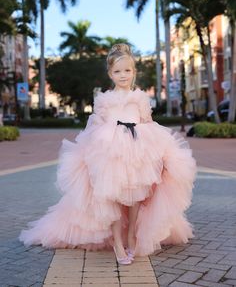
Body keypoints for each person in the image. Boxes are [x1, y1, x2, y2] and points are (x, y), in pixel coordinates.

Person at [19, 43, 197, 265]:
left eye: (128, 70)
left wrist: (162, 151)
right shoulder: (103, 100)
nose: (123, 75)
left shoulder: (140, 98)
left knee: (136, 194)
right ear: (110, 73)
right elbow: (95, 126)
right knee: (111, 196)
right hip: (110, 153)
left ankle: (131, 232)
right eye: (117, 71)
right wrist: (90, 151)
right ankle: (118, 241)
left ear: (134, 72)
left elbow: (149, 124)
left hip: (137, 150)